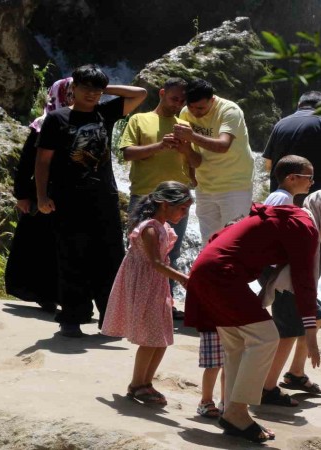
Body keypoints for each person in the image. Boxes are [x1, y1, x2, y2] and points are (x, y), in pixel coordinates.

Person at [184, 189, 321, 444]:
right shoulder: (305, 226)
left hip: (206, 269)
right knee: (266, 337)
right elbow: (304, 281)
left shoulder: (295, 219)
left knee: (237, 345)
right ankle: (237, 412)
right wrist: (311, 335)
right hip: (222, 274)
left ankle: (232, 411)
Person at [35, 65, 147, 337]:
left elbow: (140, 93)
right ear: (73, 88)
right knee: (71, 256)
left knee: (109, 258)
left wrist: (102, 88)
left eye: (97, 90)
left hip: (104, 199)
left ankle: (110, 320)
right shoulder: (57, 119)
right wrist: (41, 195)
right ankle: (72, 317)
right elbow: (43, 161)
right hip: (67, 198)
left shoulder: (104, 112)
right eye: (86, 88)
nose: (92, 94)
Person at [101, 181, 193, 405]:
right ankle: (136, 384)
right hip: (147, 285)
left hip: (157, 284)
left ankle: (146, 383)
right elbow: (154, 263)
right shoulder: (150, 228)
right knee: (151, 338)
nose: (185, 213)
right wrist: (181, 278)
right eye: (182, 208)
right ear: (164, 204)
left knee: (161, 338)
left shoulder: (162, 226)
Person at [119, 77, 200, 320]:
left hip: (178, 201)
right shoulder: (139, 119)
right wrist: (159, 147)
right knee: (137, 251)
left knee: (172, 253)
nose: (178, 104)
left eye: (182, 101)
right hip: (145, 196)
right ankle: (132, 304)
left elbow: (196, 163)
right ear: (162, 93)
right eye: (175, 98)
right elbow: (127, 153)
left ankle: (166, 303)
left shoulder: (184, 126)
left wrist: (186, 148)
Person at [262, 91, 321, 290]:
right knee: (320, 243)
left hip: (283, 196)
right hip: (314, 198)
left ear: (300, 105)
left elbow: (268, 163)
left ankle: (281, 291)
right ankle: (306, 293)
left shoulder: (281, 124)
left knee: (283, 245)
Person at [259, 156, 321, 406]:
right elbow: (268, 232)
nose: (312, 181)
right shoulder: (281, 199)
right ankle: (268, 387)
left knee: (316, 316)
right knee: (287, 330)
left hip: (278, 271)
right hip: (278, 273)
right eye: (309, 177)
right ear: (292, 178)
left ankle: (295, 373)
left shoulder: (286, 198)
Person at [5, 77, 73, 311]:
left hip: (71, 193)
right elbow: (26, 163)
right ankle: (44, 295)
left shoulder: (83, 122)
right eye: (70, 94)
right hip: (43, 193)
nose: (73, 99)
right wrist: (23, 195)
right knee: (41, 245)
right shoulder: (42, 125)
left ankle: (64, 295)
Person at [175, 79, 255, 244]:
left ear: (212, 100)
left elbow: (223, 145)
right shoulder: (185, 113)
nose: (195, 113)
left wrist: (192, 135)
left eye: (201, 108)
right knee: (208, 242)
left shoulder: (230, 111)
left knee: (234, 242)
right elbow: (189, 151)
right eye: (191, 107)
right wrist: (192, 177)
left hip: (235, 186)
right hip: (204, 187)